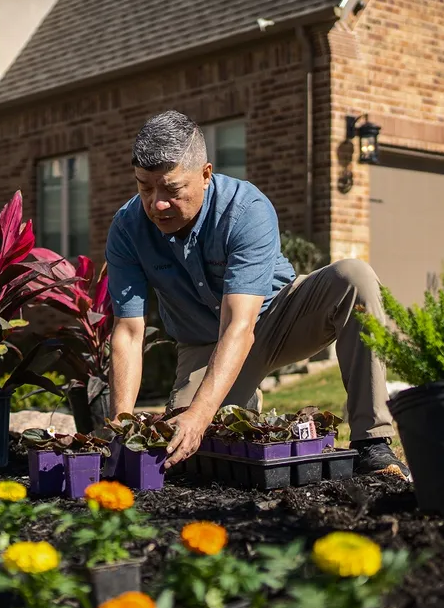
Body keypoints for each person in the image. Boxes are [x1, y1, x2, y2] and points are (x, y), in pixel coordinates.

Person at [105, 110, 410, 481]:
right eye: (144, 187)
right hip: (203, 342)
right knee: (182, 453)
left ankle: (371, 442)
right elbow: (128, 332)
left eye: (172, 189)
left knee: (354, 277)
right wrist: (121, 426)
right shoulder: (127, 227)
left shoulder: (245, 209)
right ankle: (241, 400)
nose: (157, 204)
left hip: (280, 317)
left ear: (205, 174)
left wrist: (200, 415)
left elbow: (239, 326)